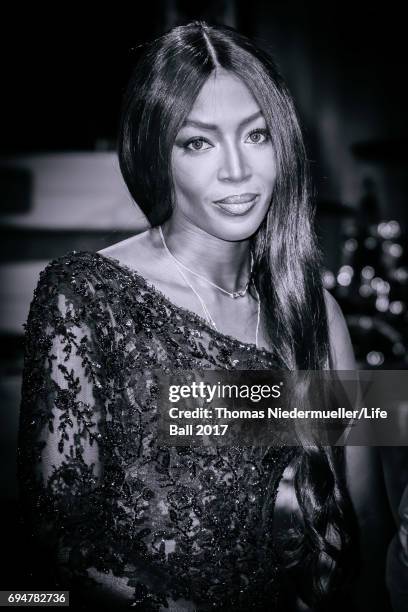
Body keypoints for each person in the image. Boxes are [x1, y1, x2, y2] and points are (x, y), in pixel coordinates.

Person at [18, 21, 361, 611]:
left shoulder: (314, 313)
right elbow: (60, 536)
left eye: (256, 137)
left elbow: (365, 523)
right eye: (198, 142)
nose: (236, 170)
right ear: (158, 151)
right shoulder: (87, 296)